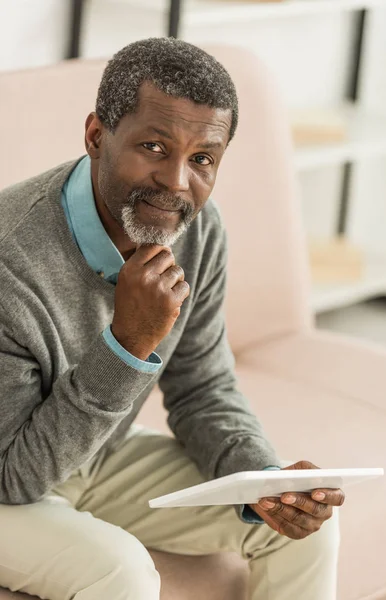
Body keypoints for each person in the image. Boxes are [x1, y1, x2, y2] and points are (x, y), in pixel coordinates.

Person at [0, 37, 343, 600]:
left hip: (97, 451)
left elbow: (203, 386)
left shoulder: (197, 231)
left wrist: (262, 480)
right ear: (95, 136)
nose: (178, 181)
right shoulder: (13, 259)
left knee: (300, 524)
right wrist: (127, 343)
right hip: (8, 471)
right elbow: (15, 477)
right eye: (155, 147)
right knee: (121, 570)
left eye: (202, 159)